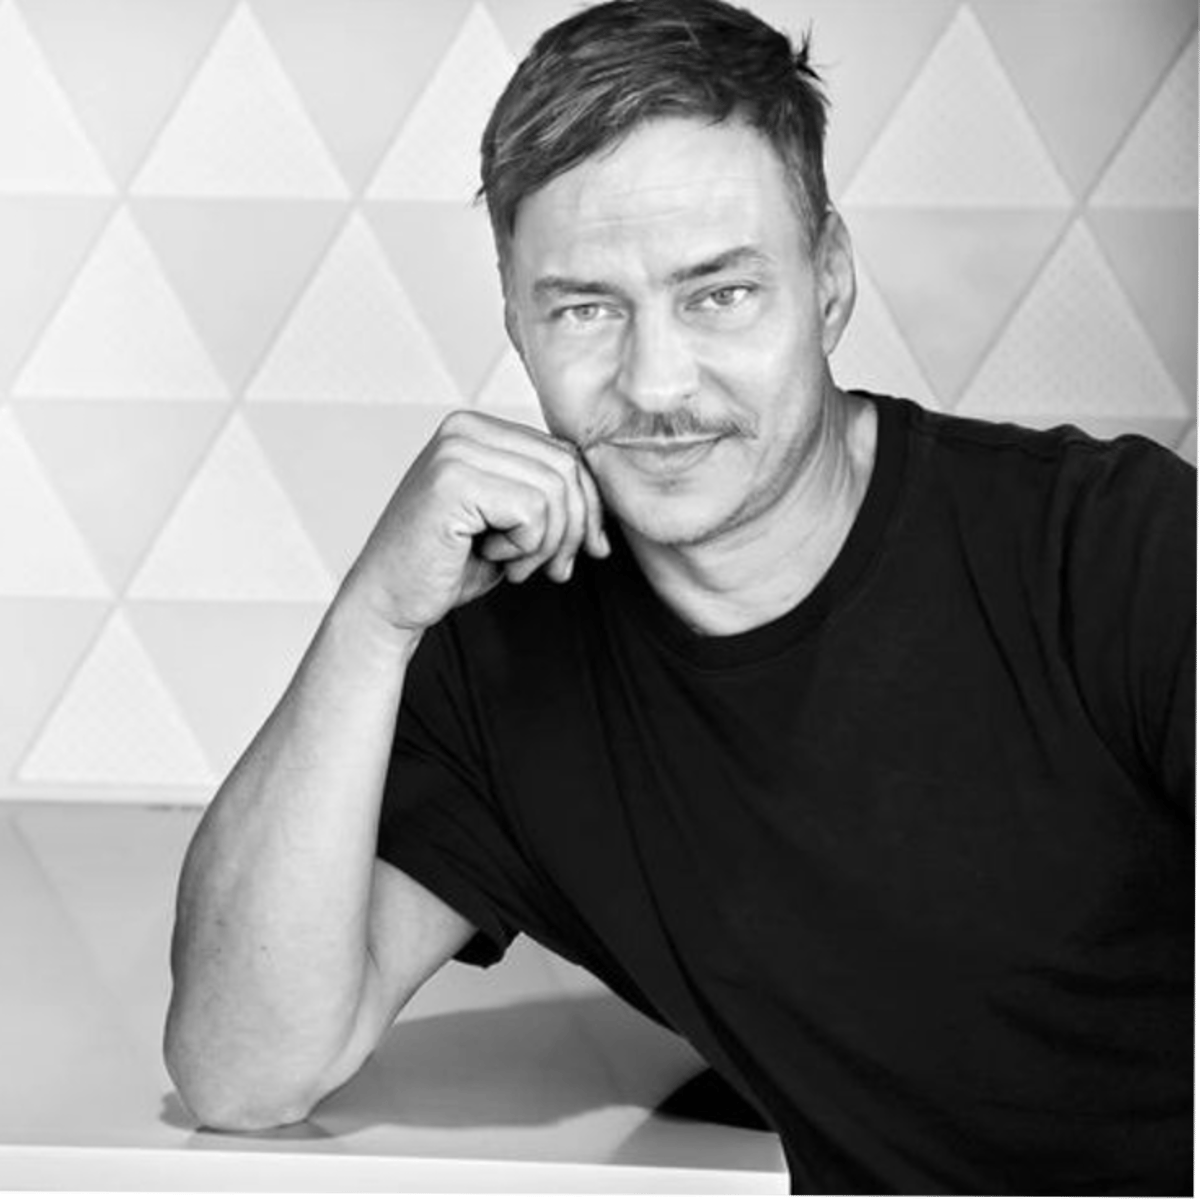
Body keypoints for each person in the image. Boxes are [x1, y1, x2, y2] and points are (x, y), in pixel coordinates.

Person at [163, 1, 1197, 1194]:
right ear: (515, 320)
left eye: (719, 294)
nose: (655, 384)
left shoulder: (1115, 552)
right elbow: (241, 1072)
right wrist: (372, 620)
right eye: (586, 308)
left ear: (831, 281)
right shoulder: (507, 665)